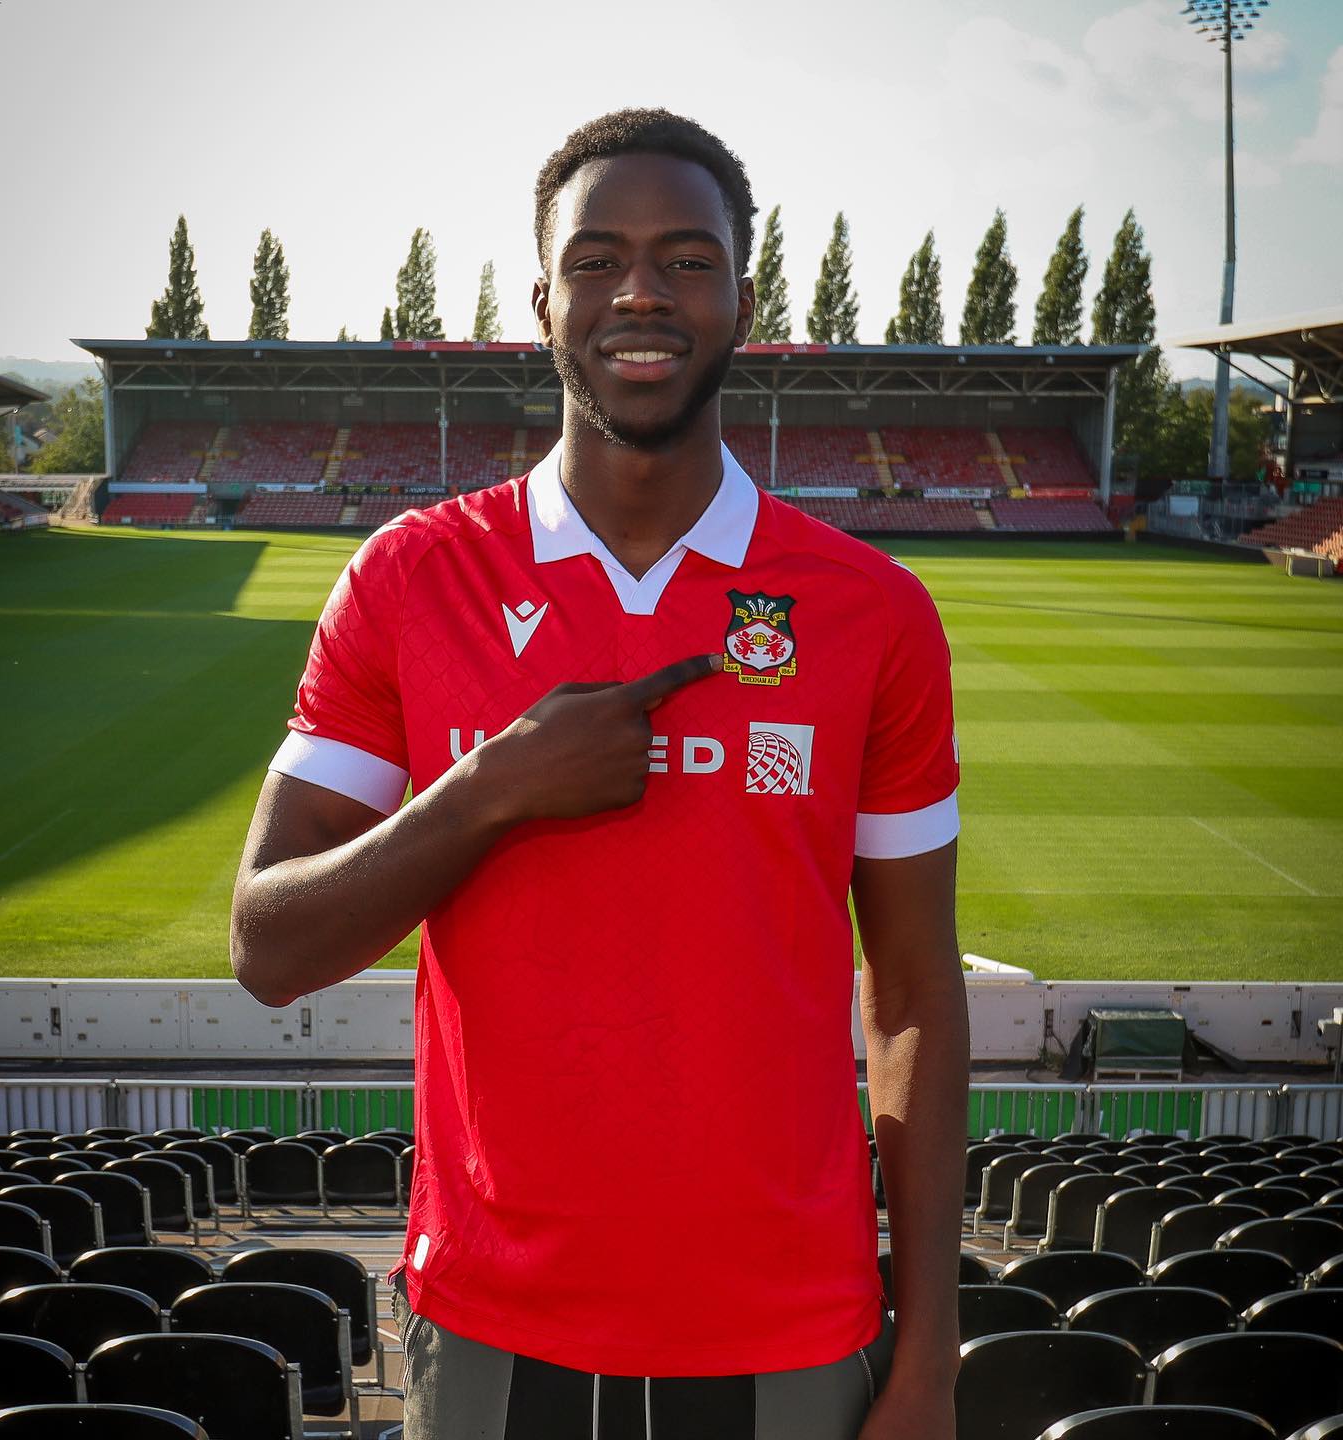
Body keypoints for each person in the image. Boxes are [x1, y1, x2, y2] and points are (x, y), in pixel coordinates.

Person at [231, 108, 968, 1440]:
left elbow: (914, 993)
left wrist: (931, 1359)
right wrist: (492, 787)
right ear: (542, 299)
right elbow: (268, 943)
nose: (640, 290)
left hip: (793, 1332)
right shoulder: (409, 580)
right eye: (598, 258)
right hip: (493, 1328)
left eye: (688, 259)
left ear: (745, 299)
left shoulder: (874, 613)